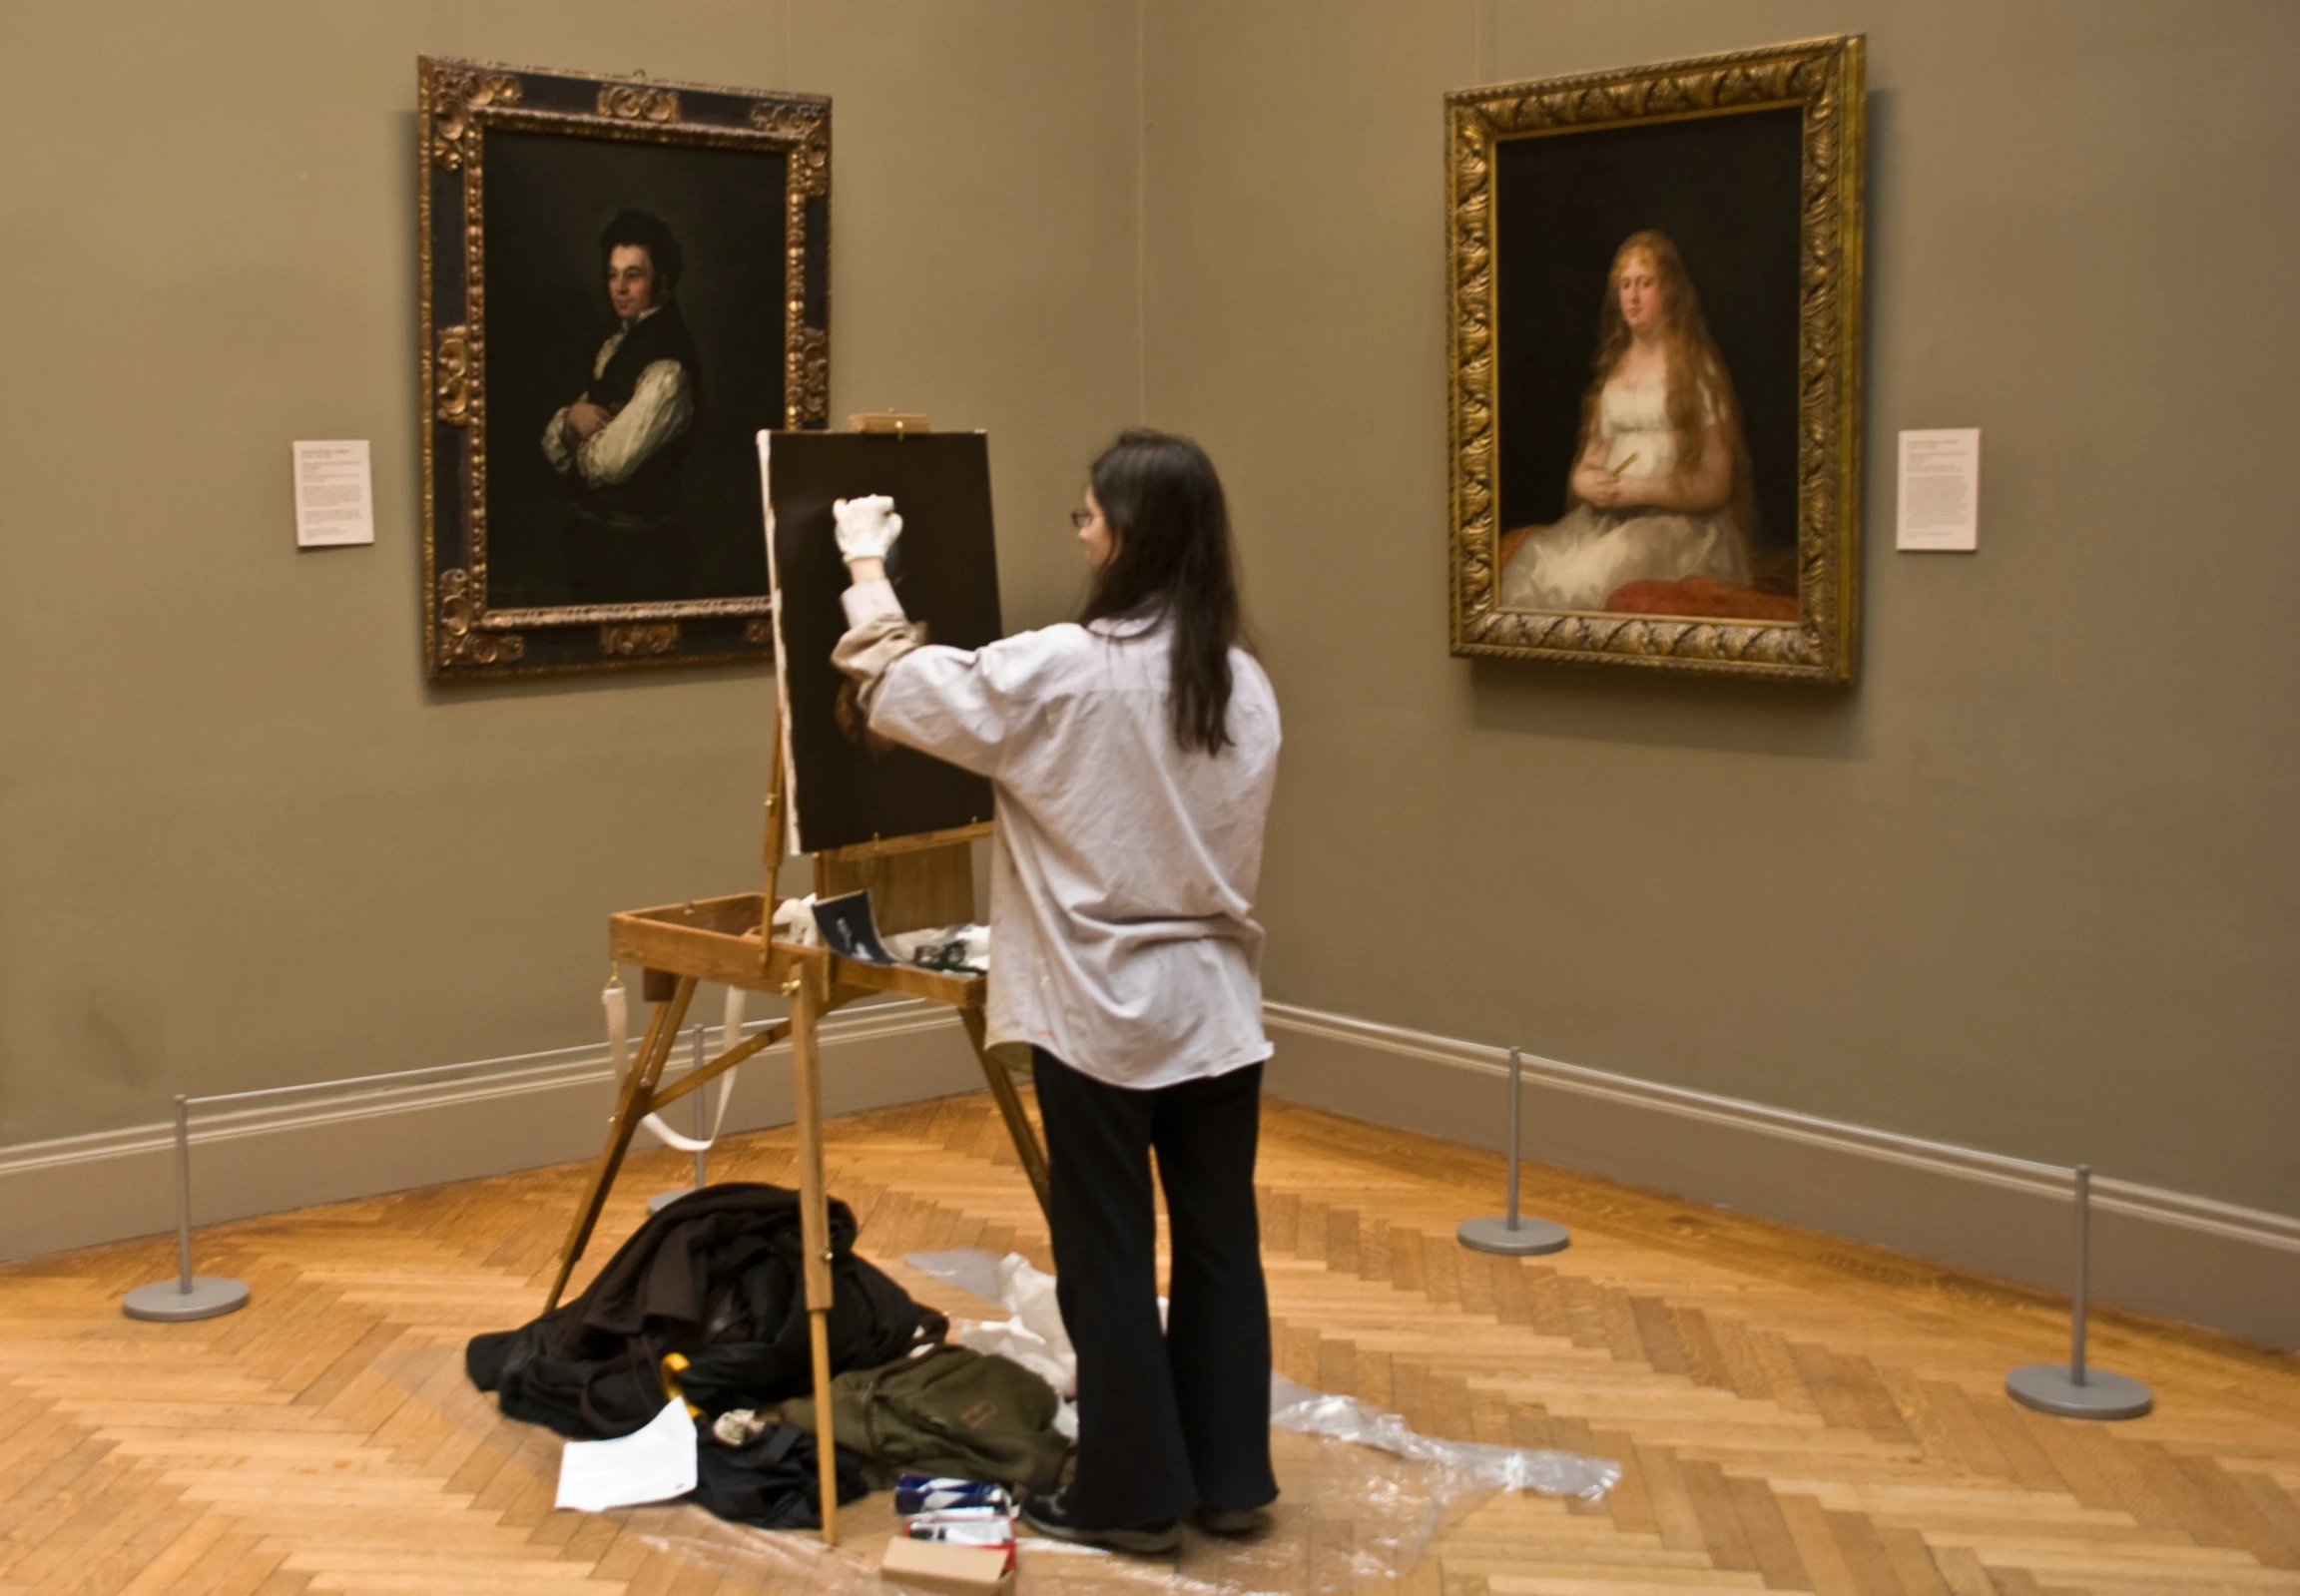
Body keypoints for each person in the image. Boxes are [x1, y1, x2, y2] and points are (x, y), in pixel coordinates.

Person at [828, 429, 1282, 1557]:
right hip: (1217, 1014)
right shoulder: (1241, 680)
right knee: (1224, 1245)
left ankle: (1131, 1496)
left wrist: (865, 566)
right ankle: (1229, 1479)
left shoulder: (1068, 669)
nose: (1077, 536)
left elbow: (898, 687)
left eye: (1085, 516)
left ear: (1126, 534)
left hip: (1099, 1013)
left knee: (1110, 1254)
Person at [1497, 230, 1758, 612]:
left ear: (1669, 291)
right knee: (1534, 562)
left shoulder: (1695, 370)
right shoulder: (1616, 370)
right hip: (1610, 520)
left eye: (1645, 284)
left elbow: (1715, 483)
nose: (1633, 298)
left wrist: (1637, 490)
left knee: (1599, 571)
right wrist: (1586, 481)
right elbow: (1590, 459)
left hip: (1681, 529)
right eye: (1625, 285)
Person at [542, 209, 700, 603]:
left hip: (642, 557)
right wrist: (570, 422)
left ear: (661, 282)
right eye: (613, 275)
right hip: (595, 547)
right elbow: (552, 445)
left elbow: (607, 465)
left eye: (634, 275)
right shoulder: (616, 346)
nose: (620, 288)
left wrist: (574, 432)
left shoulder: (667, 368)